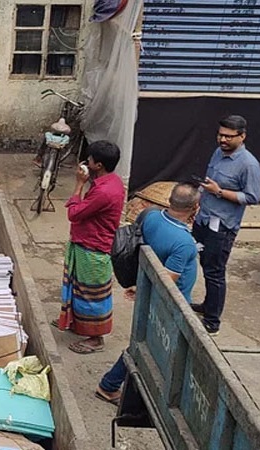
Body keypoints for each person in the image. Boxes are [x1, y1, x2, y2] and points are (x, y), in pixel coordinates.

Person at [96, 183, 201, 405]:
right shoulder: (184, 244)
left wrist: (139, 286)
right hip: (172, 305)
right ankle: (110, 385)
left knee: (148, 343)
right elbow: (167, 279)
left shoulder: (151, 216)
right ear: (196, 208)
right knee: (150, 346)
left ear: (169, 200)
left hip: (150, 294)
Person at [190, 115, 260, 336]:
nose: (222, 139)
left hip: (222, 227)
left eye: (229, 137)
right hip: (203, 219)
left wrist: (219, 192)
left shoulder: (249, 164)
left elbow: (251, 197)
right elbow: (209, 180)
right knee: (203, 263)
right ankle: (207, 305)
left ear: (242, 136)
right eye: (220, 134)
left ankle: (213, 321)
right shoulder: (218, 153)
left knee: (215, 271)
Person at [53, 140, 125, 354]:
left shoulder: (103, 191)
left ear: (98, 165)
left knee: (92, 295)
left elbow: (74, 213)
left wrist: (78, 184)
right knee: (78, 288)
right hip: (85, 242)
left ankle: (96, 338)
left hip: (93, 247)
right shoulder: (111, 181)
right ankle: (76, 322)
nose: (86, 162)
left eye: (90, 160)